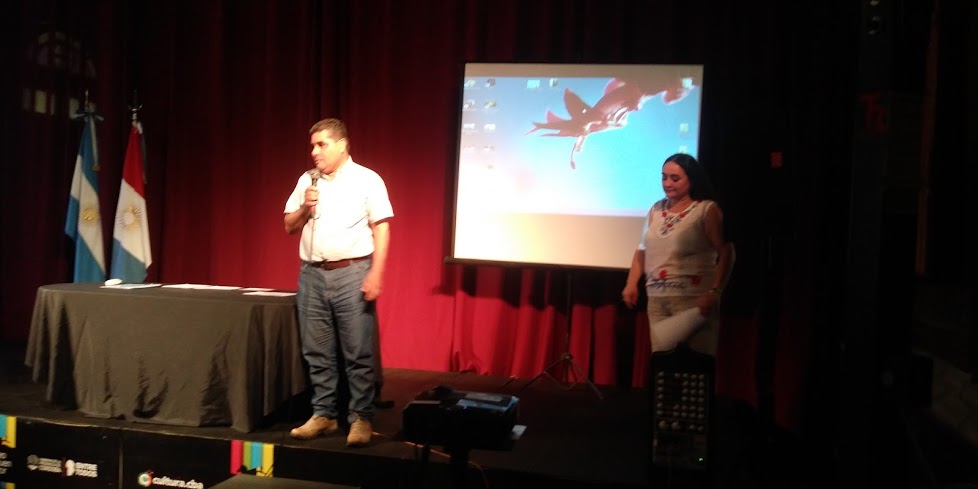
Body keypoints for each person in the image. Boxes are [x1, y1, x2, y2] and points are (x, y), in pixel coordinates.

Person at [283, 118, 393, 447]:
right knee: (316, 351)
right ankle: (324, 414)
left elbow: (382, 227)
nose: (314, 152)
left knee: (357, 351)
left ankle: (360, 417)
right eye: (312, 146)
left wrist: (376, 273)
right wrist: (306, 207)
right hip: (312, 274)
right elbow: (289, 225)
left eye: (322, 145)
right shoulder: (307, 180)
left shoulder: (367, 179)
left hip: (352, 272)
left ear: (342, 145)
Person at [621, 153, 731, 355]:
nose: (667, 183)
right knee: (662, 363)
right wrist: (631, 283)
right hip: (657, 300)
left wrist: (714, 292)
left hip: (693, 301)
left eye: (675, 178)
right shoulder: (656, 209)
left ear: (692, 179)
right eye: (664, 177)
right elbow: (642, 249)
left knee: (693, 363)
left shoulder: (705, 210)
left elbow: (726, 252)